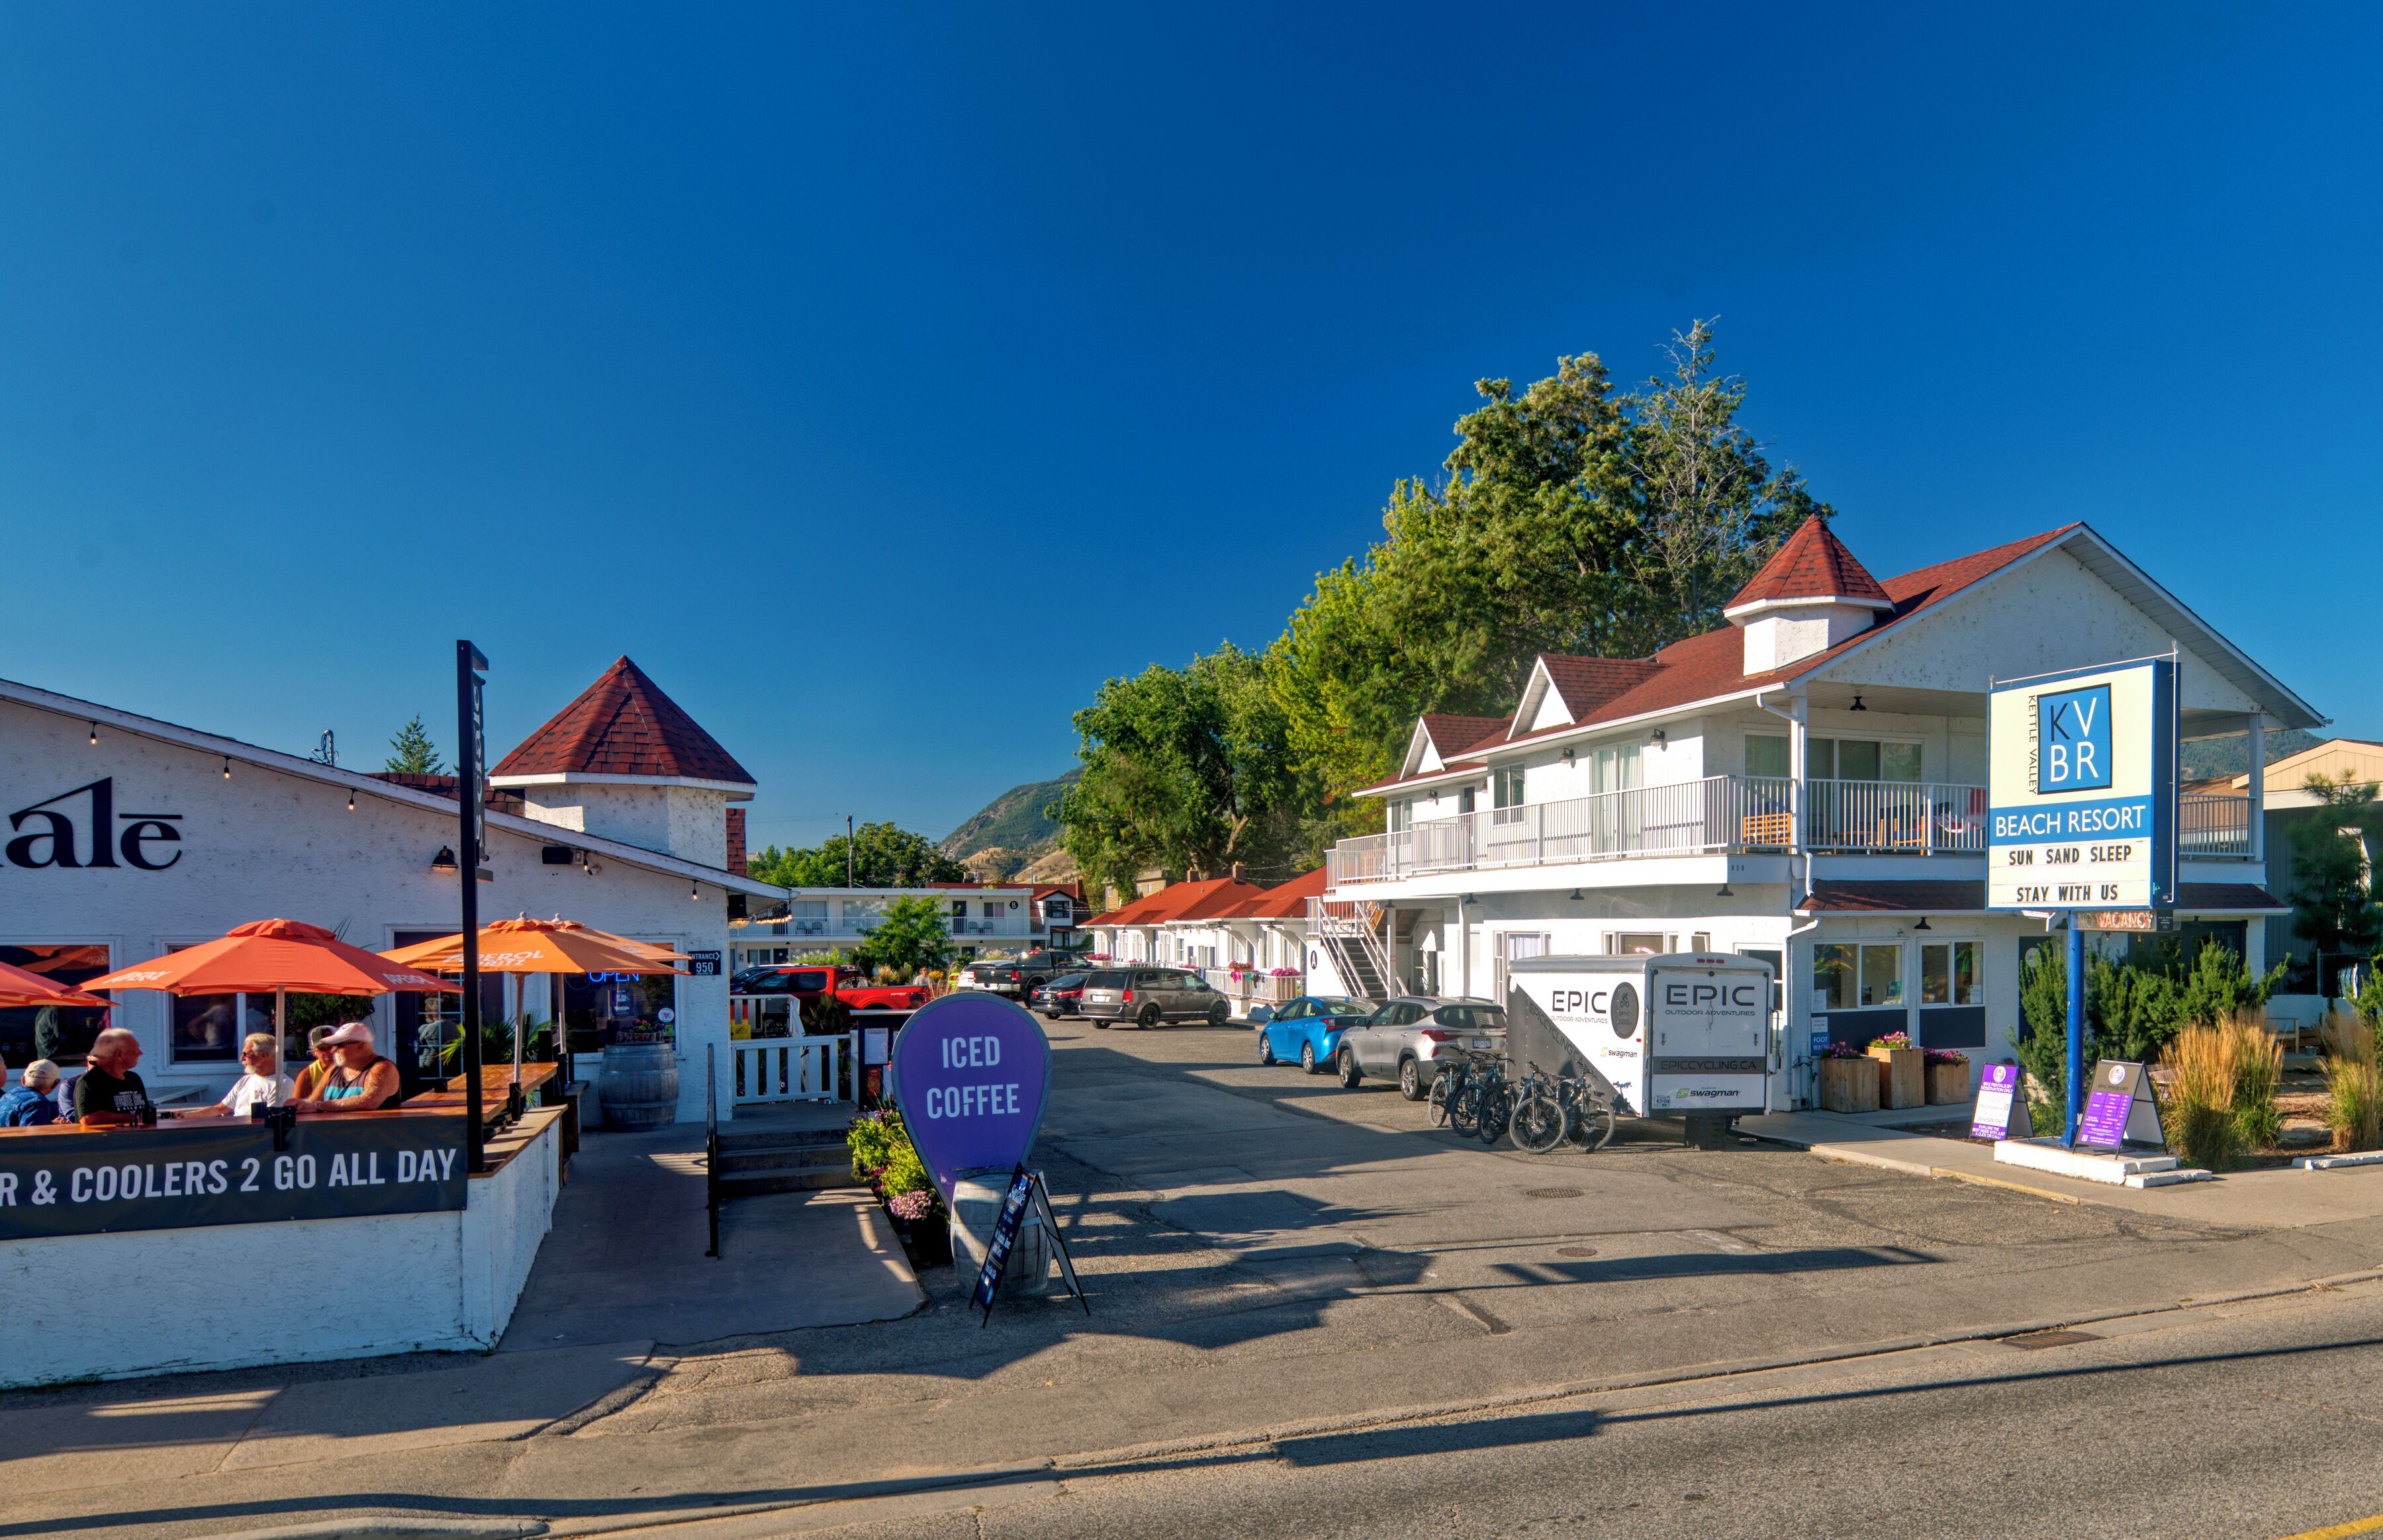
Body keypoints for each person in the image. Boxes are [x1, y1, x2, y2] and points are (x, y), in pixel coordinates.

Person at [179, 1034, 295, 1118]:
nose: (241, 1058)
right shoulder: (246, 1080)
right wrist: (186, 1115)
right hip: (237, 1133)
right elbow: (220, 1109)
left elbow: (270, 1119)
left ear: (263, 1055)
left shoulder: (282, 1083)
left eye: (246, 1054)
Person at [295, 1022, 401, 1112]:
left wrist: (319, 1106)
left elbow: (369, 1102)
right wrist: (300, 1104)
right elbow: (313, 1101)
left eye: (339, 1045)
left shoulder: (383, 1068)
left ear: (360, 1046)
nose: (333, 1050)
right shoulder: (334, 1070)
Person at [75, 1027, 156, 1126]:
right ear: (119, 1055)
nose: (140, 1053)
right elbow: (87, 1119)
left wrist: (172, 1115)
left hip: (138, 1138)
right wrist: (132, 1117)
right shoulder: (88, 1081)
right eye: (134, 1050)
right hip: (106, 1140)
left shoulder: (134, 1078)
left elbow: (145, 1112)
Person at [0, 1060, 61, 1126]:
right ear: (56, 1084)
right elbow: (32, 1134)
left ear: (23, 1080)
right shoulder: (37, 1103)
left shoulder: (8, 1095)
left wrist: (52, 1124)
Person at [291, 1024, 338, 1101]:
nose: (328, 1053)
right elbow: (299, 1107)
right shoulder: (307, 1075)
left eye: (331, 1047)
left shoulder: (351, 1067)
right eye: (322, 1049)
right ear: (314, 1052)